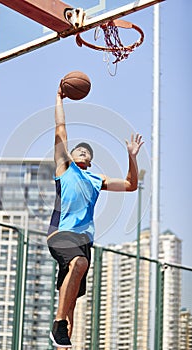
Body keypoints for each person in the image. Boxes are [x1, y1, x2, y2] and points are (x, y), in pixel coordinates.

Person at [47, 83, 144, 349]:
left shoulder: (96, 178)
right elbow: (61, 130)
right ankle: (57, 326)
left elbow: (130, 185)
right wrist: (59, 98)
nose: (83, 150)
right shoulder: (64, 167)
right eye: (79, 149)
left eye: (87, 151)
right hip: (60, 234)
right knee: (79, 264)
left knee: (72, 302)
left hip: (83, 239)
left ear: (90, 160)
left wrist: (131, 157)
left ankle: (64, 340)